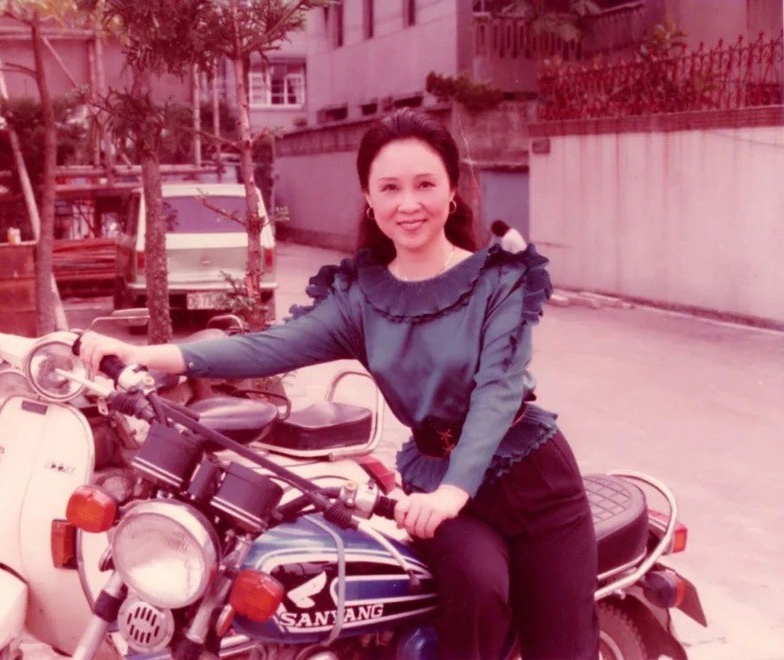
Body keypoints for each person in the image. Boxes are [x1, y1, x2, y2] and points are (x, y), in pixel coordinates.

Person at [80, 108, 599, 659]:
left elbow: (498, 390)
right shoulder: (363, 299)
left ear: (453, 192)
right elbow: (265, 347)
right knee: (478, 594)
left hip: (533, 482)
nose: (408, 203)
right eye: (390, 188)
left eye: (425, 184)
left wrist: (455, 490)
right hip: (440, 491)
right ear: (369, 200)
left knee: (563, 648)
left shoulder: (500, 281)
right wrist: (147, 354)